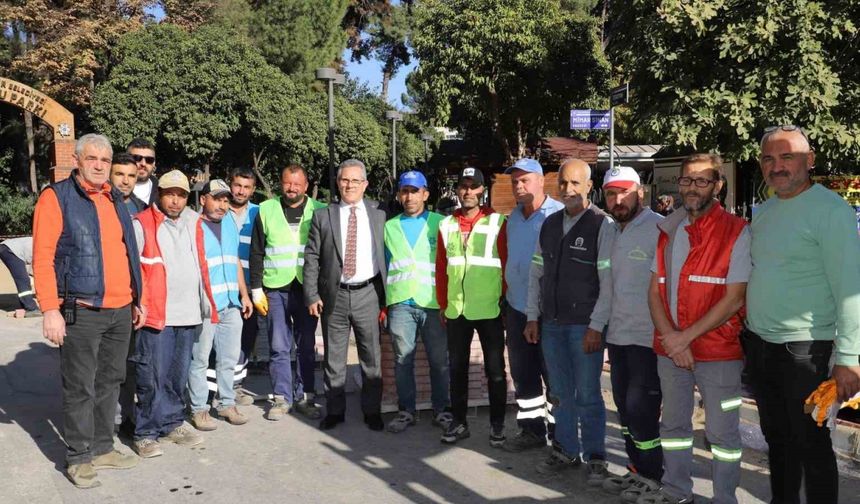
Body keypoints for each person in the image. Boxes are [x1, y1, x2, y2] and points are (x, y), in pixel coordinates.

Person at [745, 126, 860, 504]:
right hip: (762, 347)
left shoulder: (831, 211)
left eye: (787, 157)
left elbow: (850, 288)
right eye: (768, 159)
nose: (777, 166)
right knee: (777, 442)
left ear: (809, 161)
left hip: (806, 353)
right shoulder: (766, 211)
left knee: (811, 445)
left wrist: (848, 359)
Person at [32, 133, 144, 488]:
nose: (99, 165)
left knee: (110, 380)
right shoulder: (57, 198)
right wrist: (50, 310)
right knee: (80, 385)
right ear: (77, 160)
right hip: (81, 308)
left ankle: (101, 446)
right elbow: (43, 258)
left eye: (105, 160)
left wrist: (136, 300)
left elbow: (127, 253)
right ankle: (78, 457)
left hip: (120, 308)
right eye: (92, 158)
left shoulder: (115, 199)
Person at [640, 153, 750, 504]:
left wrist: (682, 339)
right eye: (687, 180)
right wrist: (674, 342)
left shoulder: (737, 231)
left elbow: (734, 299)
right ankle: (676, 492)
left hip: (718, 351)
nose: (692, 187)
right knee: (673, 428)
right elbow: (655, 291)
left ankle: (724, 499)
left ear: (718, 185)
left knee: (722, 435)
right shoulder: (668, 228)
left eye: (702, 180)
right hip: (671, 350)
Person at [526, 158, 614, 483]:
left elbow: (608, 284)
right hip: (551, 324)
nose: (569, 189)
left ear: (590, 187)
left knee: (588, 394)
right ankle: (565, 449)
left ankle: (595, 457)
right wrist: (533, 316)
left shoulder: (601, 225)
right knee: (559, 392)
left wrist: (596, 325)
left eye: (576, 183)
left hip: (584, 326)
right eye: (563, 183)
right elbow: (537, 273)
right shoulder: (549, 225)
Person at [131, 169, 215, 458]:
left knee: (177, 376)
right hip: (157, 314)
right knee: (152, 375)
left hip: (188, 313)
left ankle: (172, 422)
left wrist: (206, 304)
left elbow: (202, 262)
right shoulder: (142, 223)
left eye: (180, 195)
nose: (175, 201)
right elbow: (135, 270)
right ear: (159, 193)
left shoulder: (194, 221)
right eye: (170, 194)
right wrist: (137, 304)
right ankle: (145, 433)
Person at [303, 159, 387, 431]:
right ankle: (335, 411)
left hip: (368, 293)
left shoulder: (380, 213)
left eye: (355, 180)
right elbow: (312, 257)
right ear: (338, 183)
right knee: (334, 358)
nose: (349, 185)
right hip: (334, 296)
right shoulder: (323, 216)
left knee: (371, 357)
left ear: (365, 184)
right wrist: (311, 294)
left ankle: (372, 410)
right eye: (344, 180)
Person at [597, 167, 665, 500]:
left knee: (642, 411)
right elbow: (605, 286)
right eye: (611, 193)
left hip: (648, 338)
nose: (618, 199)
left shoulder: (658, 228)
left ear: (640, 192)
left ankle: (654, 477)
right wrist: (598, 325)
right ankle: (636, 471)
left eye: (624, 192)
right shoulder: (609, 231)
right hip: (618, 336)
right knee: (624, 409)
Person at [435, 167, 509, 446]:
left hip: (489, 309)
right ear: (457, 191)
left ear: (482, 191)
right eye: (463, 186)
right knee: (457, 370)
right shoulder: (446, 225)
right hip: (457, 310)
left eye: (473, 186)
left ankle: (498, 425)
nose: (467, 191)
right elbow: (441, 268)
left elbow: (506, 262)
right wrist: (443, 303)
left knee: (495, 371)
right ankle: (459, 422)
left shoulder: (498, 222)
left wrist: (503, 302)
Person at [250, 164, 327, 420]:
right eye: (287, 183)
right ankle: (282, 398)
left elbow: (326, 254)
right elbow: (257, 251)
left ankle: (306, 396)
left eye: (297, 184)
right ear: (280, 183)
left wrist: (320, 290)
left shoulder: (320, 211)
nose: (292, 188)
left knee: (306, 346)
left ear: (306, 186)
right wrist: (256, 288)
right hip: (275, 290)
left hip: (307, 289)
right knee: (278, 346)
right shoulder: (266, 210)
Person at [501, 158, 563, 452]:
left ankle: (559, 432)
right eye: (515, 181)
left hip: (547, 311)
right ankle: (531, 431)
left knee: (553, 372)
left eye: (525, 180)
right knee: (523, 373)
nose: (519, 185)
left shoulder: (558, 216)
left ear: (541, 181)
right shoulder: (513, 217)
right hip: (515, 307)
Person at [383, 170, 452, 433]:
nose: (409, 196)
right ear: (400, 195)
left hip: (434, 303)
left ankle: (442, 410)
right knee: (402, 361)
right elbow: (385, 264)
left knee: (439, 361)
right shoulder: (390, 226)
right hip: (401, 302)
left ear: (425, 194)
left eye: (415, 191)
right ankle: (406, 411)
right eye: (405, 191)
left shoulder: (441, 223)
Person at [188, 179, 253, 430]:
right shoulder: (192, 225)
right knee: (200, 359)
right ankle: (199, 408)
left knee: (228, 358)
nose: (222, 205)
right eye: (217, 199)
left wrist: (244, 296)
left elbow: (234, 259)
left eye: (226, 200)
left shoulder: (229, 223)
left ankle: (226, 403)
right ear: (203, 199)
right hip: (206, 306)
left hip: (230, 303)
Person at [228, 167, 264, 400]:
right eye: (238, 185)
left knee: (246, 337)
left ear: (253, 190)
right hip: (223, 285)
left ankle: (237, 384)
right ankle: (217, 388)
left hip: (251, 286)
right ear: (231, 184)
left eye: (246, 187)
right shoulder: (218, 208)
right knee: (220, 339)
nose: (241, 191)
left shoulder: (259, 213)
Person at [0, 236, 40, 318]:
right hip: (11, 250)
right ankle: (31, 308)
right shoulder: (50, 251)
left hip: (8, 247)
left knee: (23, 279)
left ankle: (26, 305)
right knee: (23, 280)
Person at [127, 138, 157, 206]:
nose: (143, 163)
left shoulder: (162, 192)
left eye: (149, 160)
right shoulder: (113, 189)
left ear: (154, 163)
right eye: (137, 158)